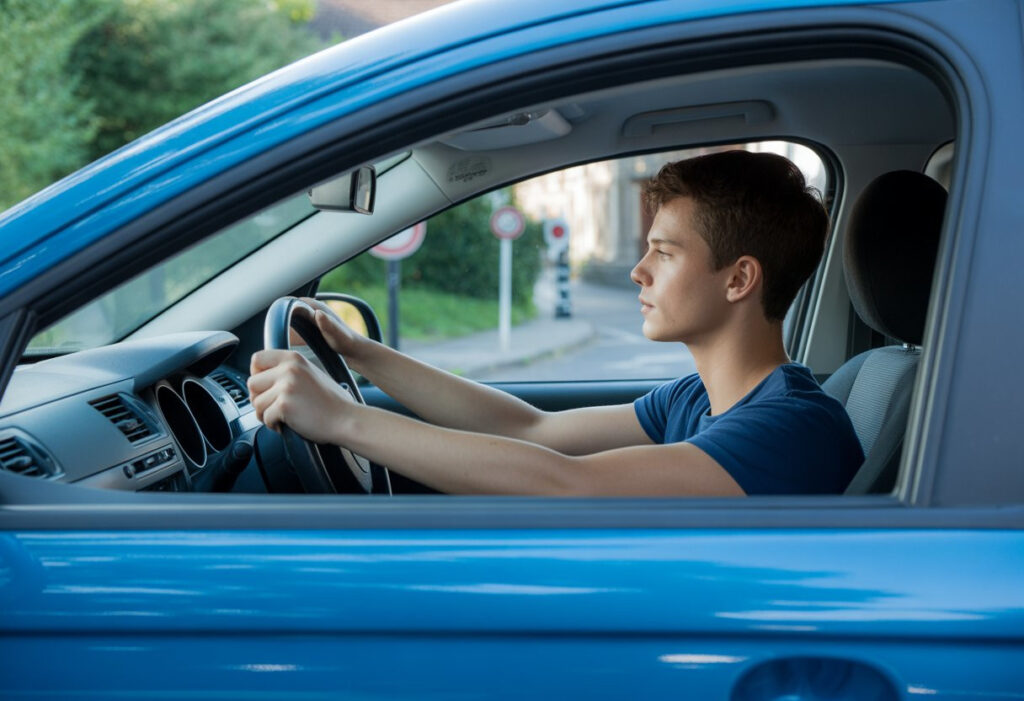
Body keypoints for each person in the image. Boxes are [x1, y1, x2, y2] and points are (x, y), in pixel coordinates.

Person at [248, 150, 864, 496]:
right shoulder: (701, 397)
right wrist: (360, 353)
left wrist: (344, 420)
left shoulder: (791, 428)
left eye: (665, 253)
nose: (638, 272)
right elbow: (533, 429)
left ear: (738, 279)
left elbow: (565, 482)